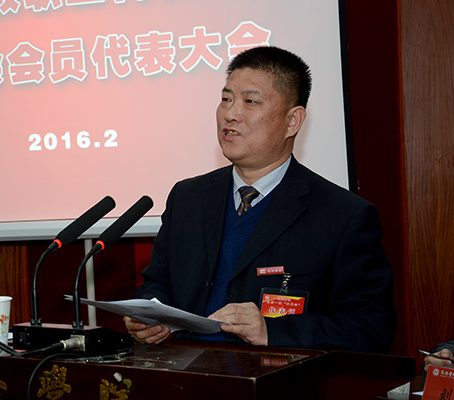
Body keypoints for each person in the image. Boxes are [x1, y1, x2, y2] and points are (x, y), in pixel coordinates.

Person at [124, 46, 397, 353]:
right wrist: (146, 314)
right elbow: (157, 283)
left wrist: (273, 331)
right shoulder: (188, 197)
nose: (231, 113)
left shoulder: (343, 216)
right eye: (226, 99)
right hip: (187, 372)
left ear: (293, 121)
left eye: (250, 101)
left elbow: (371, 327)